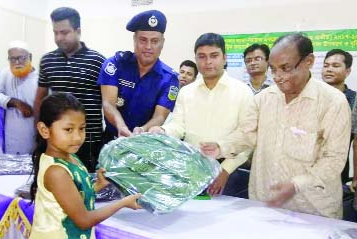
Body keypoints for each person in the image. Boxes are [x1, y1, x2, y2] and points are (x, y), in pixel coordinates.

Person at [201, 33, 351, 219]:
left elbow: (334, 159)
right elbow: (247, 135)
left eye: (286, 68)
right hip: (265, 204)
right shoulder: (264, 99)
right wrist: (221, 147)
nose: (279, 77)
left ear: (309, 61)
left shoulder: (333, 102)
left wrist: (297, 184)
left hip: (312, 210)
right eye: (273, 69)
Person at [21, 92, 141, 239]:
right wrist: (122, 203)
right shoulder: (56, 171)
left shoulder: (70, 157)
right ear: (44, 130)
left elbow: (73, 197)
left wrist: (97, 185)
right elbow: (83, 220)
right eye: (68, 130)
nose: (77, 137)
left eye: (82, 128)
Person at [149, 33, 253, 198]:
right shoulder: (186, 92)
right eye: (202, 57)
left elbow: (247, 138)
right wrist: (162, 131)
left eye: (214, 56)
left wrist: (224, 171)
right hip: (192, 170)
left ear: (224, 58)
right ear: (196, 60)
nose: (208, 62)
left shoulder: (243, 92)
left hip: (228, 172)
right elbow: (178, 126)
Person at [33, 7, 105, 171]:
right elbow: (40, 100)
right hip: (55, 140)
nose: (58, 38)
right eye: (55, 32)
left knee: (86, 187)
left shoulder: (98, 61)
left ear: (78, 31)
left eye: (64, 32)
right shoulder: (47, 61)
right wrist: (39, 134)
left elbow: (107, 102)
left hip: (87, 142)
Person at [98, 10, 179, 142]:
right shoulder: (114, 65)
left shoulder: (170, 78)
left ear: (162, 43)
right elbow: (108, 104)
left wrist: (142, 130)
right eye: (143, 40)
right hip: (111, 140)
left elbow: (160, 116)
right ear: (134, 39)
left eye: (154, 41)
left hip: (145, 143)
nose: (148, 46)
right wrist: (121, 126)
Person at [0, 41, 37, 154]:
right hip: (12, 133)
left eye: (21, 58)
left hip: (33, 132)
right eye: (12, 59)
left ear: (30, 57)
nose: (17, 62)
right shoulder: (6, 73)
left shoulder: (40, 79)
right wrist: (14, 102)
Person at [321, 49, 355, 185]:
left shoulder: (354, 99)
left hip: (337, 171)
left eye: (335, 66)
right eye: (326, 65)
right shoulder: (311, 96)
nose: (329, 69)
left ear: (348, 71)